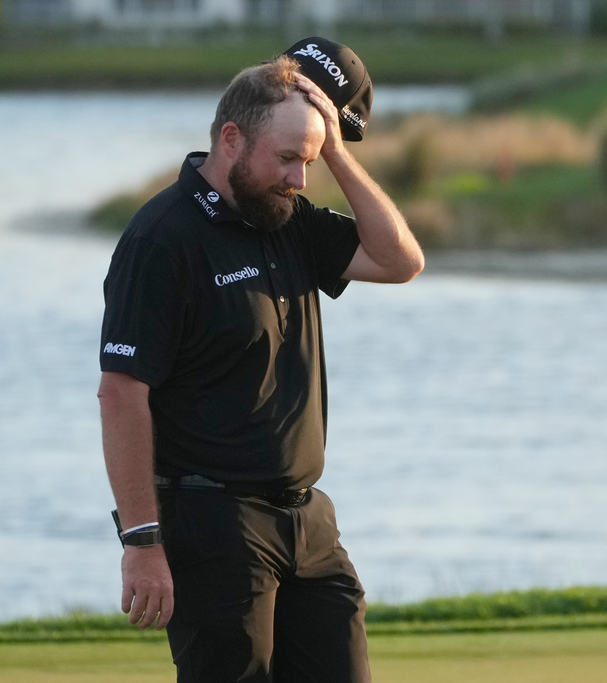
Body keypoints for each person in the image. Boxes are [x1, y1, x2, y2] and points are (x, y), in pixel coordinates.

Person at [97, 37, 424, 683]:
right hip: (213, 523)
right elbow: (121, 392)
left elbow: (400, 260)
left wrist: (330, 147)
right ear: (230, 141)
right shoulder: (162, 238)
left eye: (308, 163)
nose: (299, 180)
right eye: (286, 160)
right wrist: (140, 541)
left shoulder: (287, 218)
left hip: (307, 520)